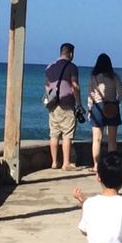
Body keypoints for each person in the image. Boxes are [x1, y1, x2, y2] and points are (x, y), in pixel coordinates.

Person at [44, 43, 81, 171]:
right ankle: (66, 163)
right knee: (67, 134)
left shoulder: (49, 67)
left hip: (53, 105)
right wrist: (79, 103)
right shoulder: (72, 67)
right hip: (67, 105)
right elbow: (75, 86)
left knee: (54, 134)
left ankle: (54, 162)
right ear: (70, 53)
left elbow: (47, 86)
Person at [87, 53, 122, 165]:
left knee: (97, 140)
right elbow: (121, 92)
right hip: (112, 107)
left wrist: (90, 109)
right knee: (112, 141)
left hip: (97, 107)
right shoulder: (114, 76)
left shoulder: (94, 77)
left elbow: (90, 95)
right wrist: (117, 102)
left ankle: (96, 166)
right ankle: (111, 163)